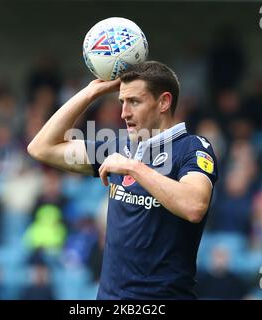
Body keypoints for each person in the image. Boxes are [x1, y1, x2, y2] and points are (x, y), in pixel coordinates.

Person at [27, 61, 218, 299]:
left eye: (134, 102)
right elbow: (41, 148)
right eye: (122, 102)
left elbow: (194, 205)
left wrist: (133, 167)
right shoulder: (118, 147)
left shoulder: (192, 148)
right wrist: (90, 93)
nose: (124, 112)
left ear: (164, 102)